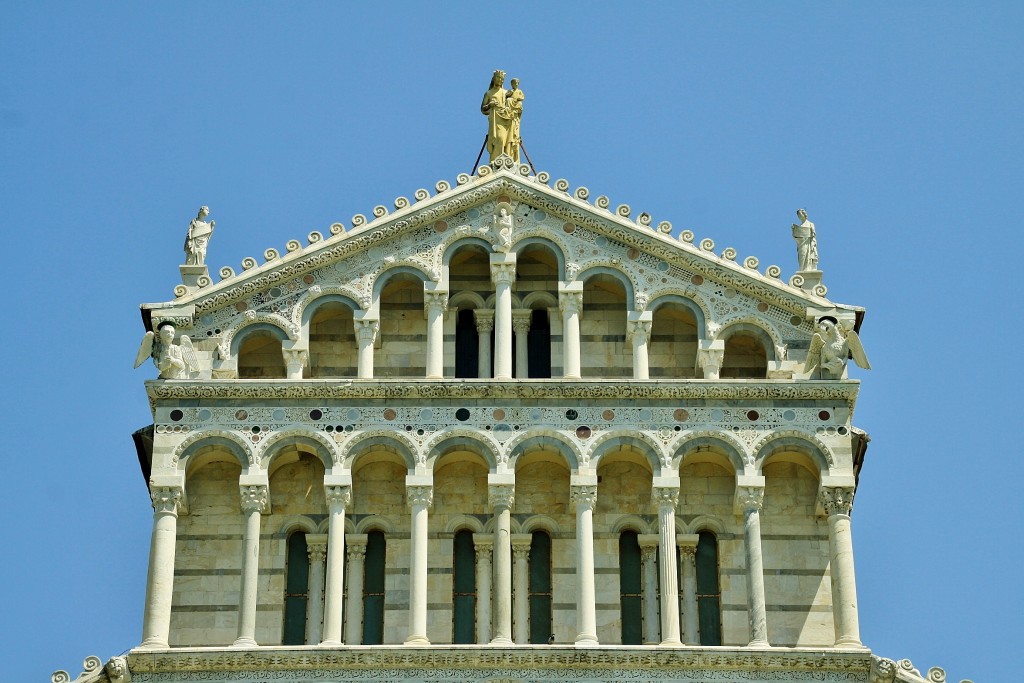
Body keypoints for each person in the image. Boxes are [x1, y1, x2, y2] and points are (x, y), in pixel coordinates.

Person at [480, 70, 514, 163]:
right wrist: (490, 105)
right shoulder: (489, 93)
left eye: (502, 79)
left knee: (505, 139)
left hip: (506, 118)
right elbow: (483, 109)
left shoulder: (506, 92)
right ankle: (496, 159)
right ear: (494, 79)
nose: (500, 80)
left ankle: (505, 157)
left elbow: (513, 105)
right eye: (498, 78)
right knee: (499, 138)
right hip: (495, 118)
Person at [507, 78, 524, 162]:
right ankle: (510, 112)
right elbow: (506, 96)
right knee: (509, 100)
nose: (515, 84)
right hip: (511, 106)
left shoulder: (519, 91)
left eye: (516, 83)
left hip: (516, 105)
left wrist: (517, 99)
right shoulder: (510, 91)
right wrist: (509, 94)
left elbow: (522, 98)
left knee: (518, 103)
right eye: (513, 83)